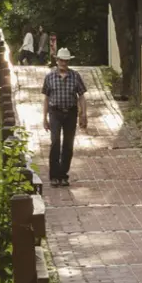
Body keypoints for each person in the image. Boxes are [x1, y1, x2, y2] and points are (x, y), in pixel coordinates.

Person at [42, 47, 87, 186]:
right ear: (57, 61)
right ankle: (54, 175)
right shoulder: (50, 76)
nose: (63, 63)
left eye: (65, 60)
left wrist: (83, 114)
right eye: (61, 60)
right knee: (55, 142)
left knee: (68, 144)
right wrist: (44, 117)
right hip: (55, 112)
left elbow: (81, 96)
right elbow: (46, 98)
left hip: (71, 112)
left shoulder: (75, 76)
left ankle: (63, 174)